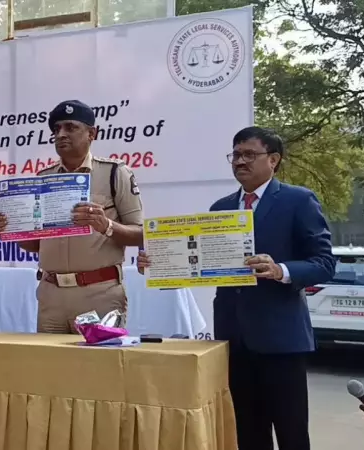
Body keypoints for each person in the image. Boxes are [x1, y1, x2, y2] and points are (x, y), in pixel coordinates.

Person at [137, 127, 335, 450]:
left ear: (273, 159)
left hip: (281, 341)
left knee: (292, 433)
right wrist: (156, 261)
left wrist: (280, 270)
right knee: (247, 433)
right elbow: (196, 262)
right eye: (236, 155)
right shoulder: (221, 209)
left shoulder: (298, 201)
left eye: (249, 155)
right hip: (233, 339)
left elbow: (324, 263)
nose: (240, 161)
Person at [0, 100, 144, 333]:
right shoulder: (43, 178)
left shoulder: (114, 173)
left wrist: (106, 225)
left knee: (97, 358)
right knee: (50, 358)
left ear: (92, 133)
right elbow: (36, 245)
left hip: (99, 293)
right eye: (57, 129)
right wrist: (13, 231)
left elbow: (141, 234)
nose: (61, 134)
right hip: (51, 295)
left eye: (71, 127)